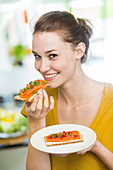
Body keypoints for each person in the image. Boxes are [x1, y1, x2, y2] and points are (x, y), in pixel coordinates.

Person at [21, 11, 113, 170]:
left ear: (79, 51)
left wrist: (95, 147)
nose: (42, 68)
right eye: (37, 56)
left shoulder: (110, 100)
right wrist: (36, 122)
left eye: (52, 55)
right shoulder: (39, 103)